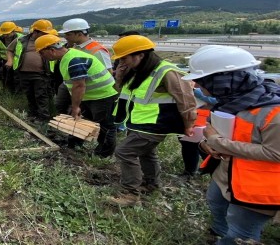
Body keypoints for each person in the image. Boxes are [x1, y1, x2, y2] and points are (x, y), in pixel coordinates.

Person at [184, 46, 280, 244]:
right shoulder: (231, 101)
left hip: (257, 187)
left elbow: (275, 153)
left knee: (241, 232)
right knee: (216, 204)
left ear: (223, 81)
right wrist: (207, 144)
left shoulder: (273, 112)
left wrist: (217, 142)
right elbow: (220, 130)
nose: (200, 89)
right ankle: (218, 233)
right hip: (227, 174)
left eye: (204, 83)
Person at [107, 35, 196, 206]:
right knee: (147, 153)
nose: (121, 62)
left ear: (139, 55)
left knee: (124, 151)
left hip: (155, 125)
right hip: (137, 121)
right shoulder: (135, 71)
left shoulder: (166, 71)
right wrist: (119, 77)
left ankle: (131, 195)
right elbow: (120, 93)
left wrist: (189, 124)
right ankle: (151, 185)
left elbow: (185, 99)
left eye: (124, 57)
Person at [35, 34, 118, 156]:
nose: (42, 57)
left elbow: (79, 85)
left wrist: (75, 106)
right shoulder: (68, 56)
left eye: (42, 53)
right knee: (81, 120)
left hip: (103, 96)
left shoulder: (74, 60)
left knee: (105, 126)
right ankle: (74, 145)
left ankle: (103, 155)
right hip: (90, 96)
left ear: (51, 50)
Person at [6, 20, 54, 122]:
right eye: (43, 33)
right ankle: (33, 114)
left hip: (41, 73)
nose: (46, 35)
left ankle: (43, 117)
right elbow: (9, 50)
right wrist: (10, 60)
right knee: (29, 94)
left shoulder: (50, 40)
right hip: (23, 73)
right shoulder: (21, 40)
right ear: (35, 32)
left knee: (41, 95)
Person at [0, 21, 19, 92]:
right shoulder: (0, 39)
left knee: (16, 78)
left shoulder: (20, 38)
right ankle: (7, 90)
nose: (5, 35)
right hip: (5, 61)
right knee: (5, 76)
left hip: (18, 62)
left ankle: (17, 93)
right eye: (4, 34)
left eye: (7, 34)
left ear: (13, 31)